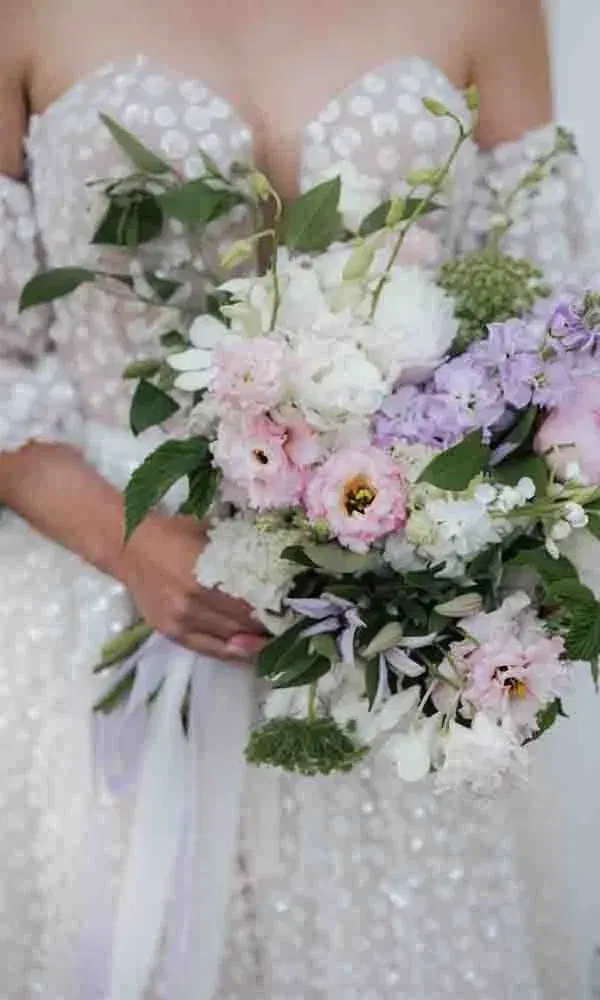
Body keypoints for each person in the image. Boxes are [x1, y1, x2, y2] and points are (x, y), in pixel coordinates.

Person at [0, 0, 595, 996]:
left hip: (389, 630)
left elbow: (548, 332)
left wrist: (454, 508)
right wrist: (127, 543)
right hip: (98, 606)